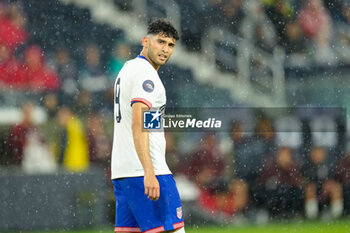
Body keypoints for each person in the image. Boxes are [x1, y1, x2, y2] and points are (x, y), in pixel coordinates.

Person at [111, 19, 185, 233]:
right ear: (145, 41)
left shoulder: (128, 68)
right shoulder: (146, 75)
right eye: (160, 42)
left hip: (123, 173)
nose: (165, 49)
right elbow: (139, 124)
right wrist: (149, 172)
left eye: (170, 45)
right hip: (147, 173)